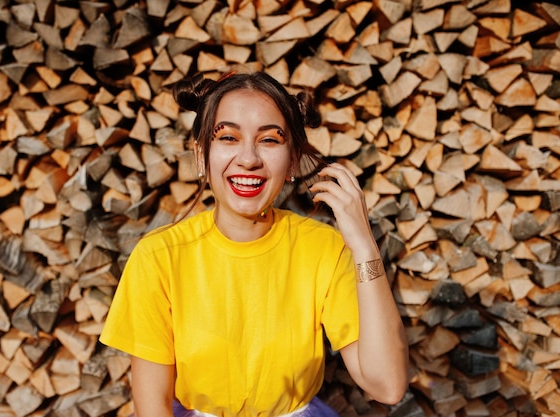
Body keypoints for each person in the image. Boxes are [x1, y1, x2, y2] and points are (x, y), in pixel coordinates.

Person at [99, 70, 408, 417]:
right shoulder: (158, 257)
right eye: (229, 138)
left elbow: (388, 385)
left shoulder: (324, 249)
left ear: (293, 159)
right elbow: (151, 408)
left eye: (270, 140)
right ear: (202, 155)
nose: (248, 159)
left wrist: (364, 247)